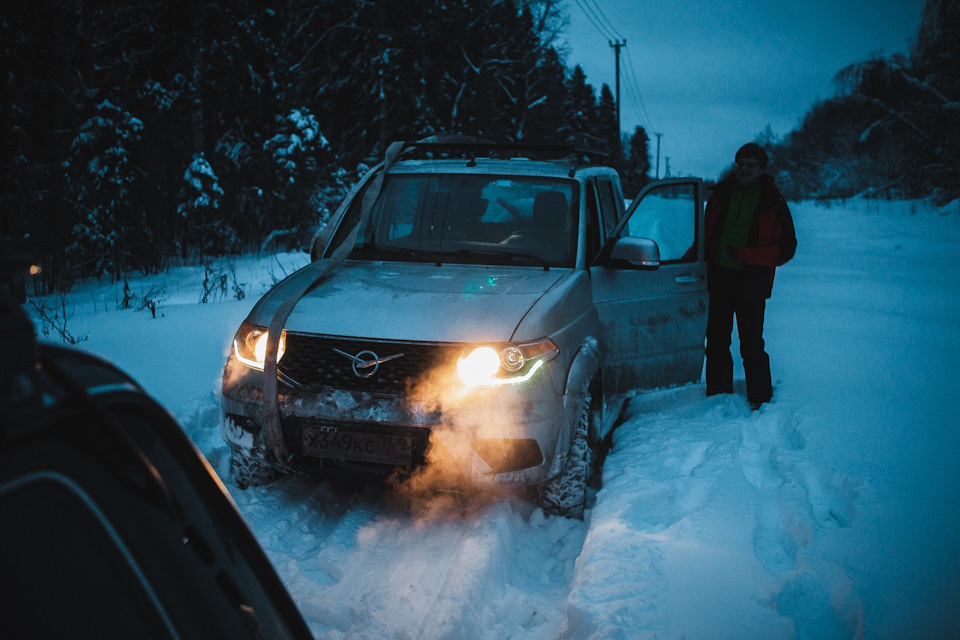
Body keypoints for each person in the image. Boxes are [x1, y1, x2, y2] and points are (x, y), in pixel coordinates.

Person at [704, 143, 797, 409]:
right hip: (718, 278)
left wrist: (749, 256)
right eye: (740, 163)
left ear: (762, 170)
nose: (744, 168)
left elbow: (787, 248)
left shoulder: (773, 202)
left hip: (752, 282)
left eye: (750, 165)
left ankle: (760, 400)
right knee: (717, 340)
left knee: (752, 344)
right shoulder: (720, 195)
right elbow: (706, 235)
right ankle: (718, 397)